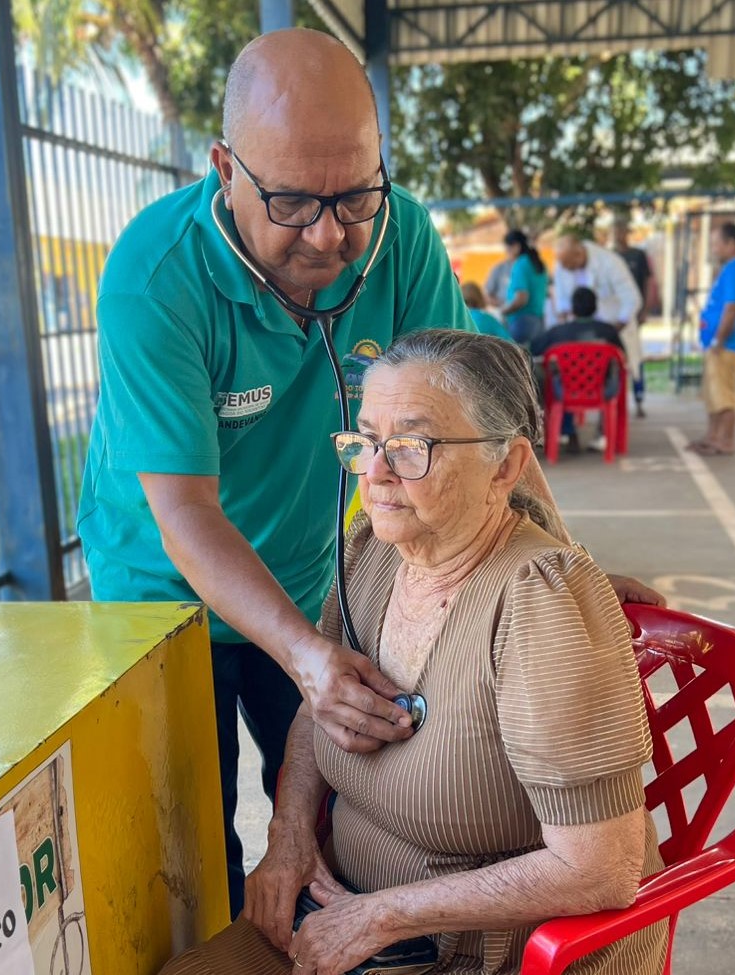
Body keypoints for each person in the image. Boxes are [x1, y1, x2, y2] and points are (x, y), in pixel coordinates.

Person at [77, 28, 662, 921]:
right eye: (292, 202)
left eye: (355, 195)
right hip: (165, 595)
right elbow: (186, 512)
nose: (330, 235)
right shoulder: (155, 278)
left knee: (333, 804)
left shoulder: (404, 239)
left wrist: (563, 573)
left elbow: (482, 428)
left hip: (312, 574)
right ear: (224, 169)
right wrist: (305, 655)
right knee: (187, 855)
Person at [159, 329, 669, 975]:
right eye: (366, 441)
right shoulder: (371, 551)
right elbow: (318, 708)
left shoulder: (540, 602)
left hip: (481, 951)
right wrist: (288, 835)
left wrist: (381, 917)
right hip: (348, 914)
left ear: (505, 467)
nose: (374, 473)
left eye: (410, 447)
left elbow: (601, 867)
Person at [688, 222, 735, 456]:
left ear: (731, 244)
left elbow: (732, 308)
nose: (713, 249)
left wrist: (719, 340)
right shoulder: (729, 270)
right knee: (713, 395)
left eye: (716, 244)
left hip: (725, 346)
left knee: (723, 396)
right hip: (716, 344)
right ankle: (713, 436)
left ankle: (725, 440)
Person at [532, 287, 626, 451]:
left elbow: (534, 349)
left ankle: (566, 431)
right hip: (603, 390)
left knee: (558, 376)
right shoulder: (608, 331)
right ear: (595, 307)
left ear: (572, 308)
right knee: (611, 374)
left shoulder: (557, 332)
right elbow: (623, 359)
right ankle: (603, 435)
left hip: (564, 391)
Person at [612, 218, 657, 418]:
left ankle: (639, 399)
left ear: (626, 232)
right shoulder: (610, 257)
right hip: (615, 318)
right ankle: (614, 401)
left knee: (636, 357)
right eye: (614, 231)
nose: (617, 235)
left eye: (620, 230)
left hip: (633, 316)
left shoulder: (638, 255)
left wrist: (644, 310)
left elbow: (647, 282)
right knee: (615, 357)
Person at [497, 229, 548, 344]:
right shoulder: (538, 263)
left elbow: (521, 298)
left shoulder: (521, 264)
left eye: (507, 249)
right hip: (538, 322)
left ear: (516, 247)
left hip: (521, 322)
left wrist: (504, 311)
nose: (507, 254)